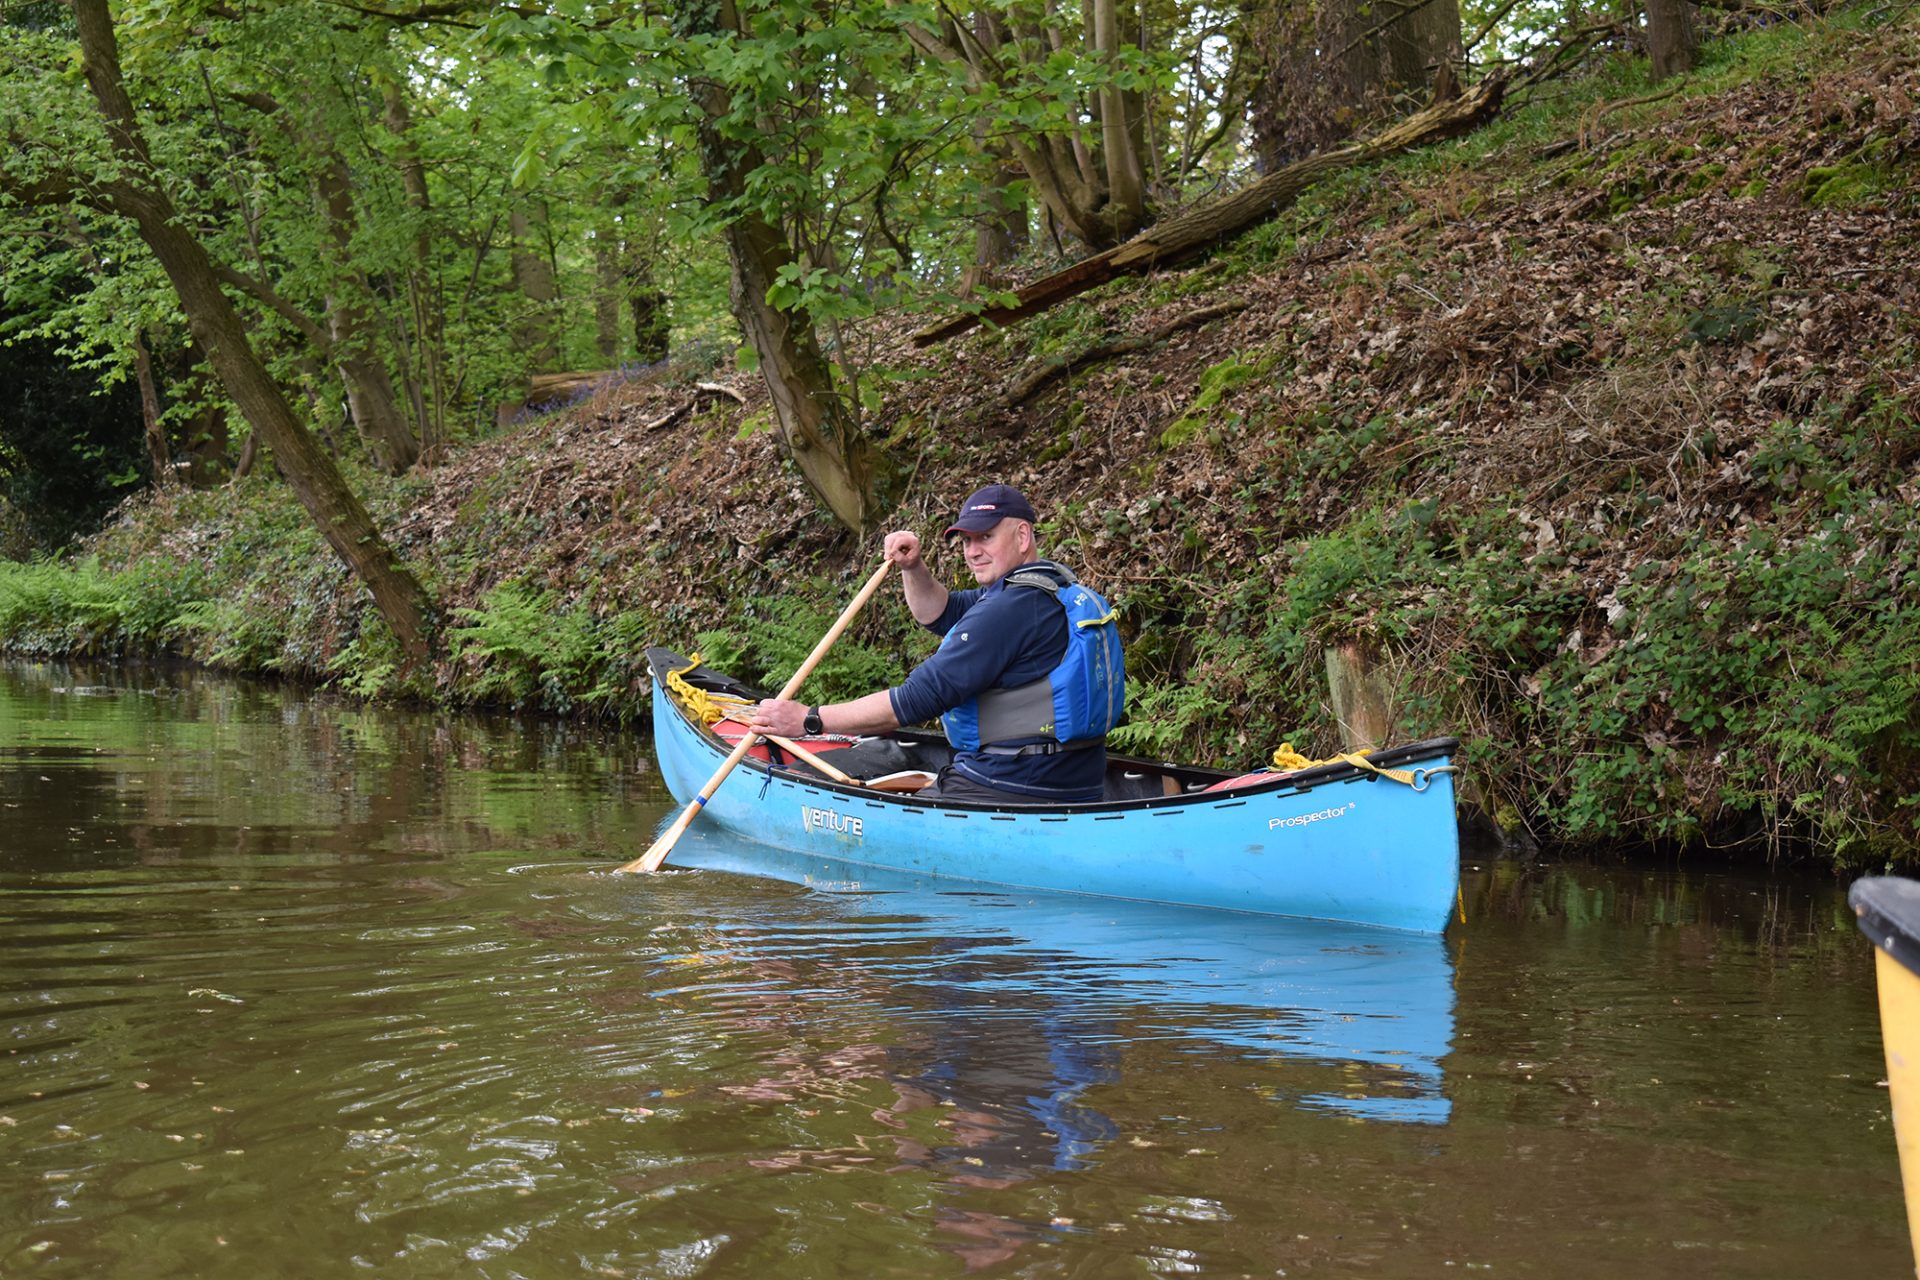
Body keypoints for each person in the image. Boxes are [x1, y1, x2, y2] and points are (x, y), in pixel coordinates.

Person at [746, 484, 1125, 804]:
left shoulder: (1009, 611)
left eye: (986, 537)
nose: (973, 550)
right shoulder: (1049, 589)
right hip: (1079, 781)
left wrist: (808, 720)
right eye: (967, 540)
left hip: (1009, 785)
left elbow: (913, 701)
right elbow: (943, 613)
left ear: (1022, 536)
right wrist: (914, 569)